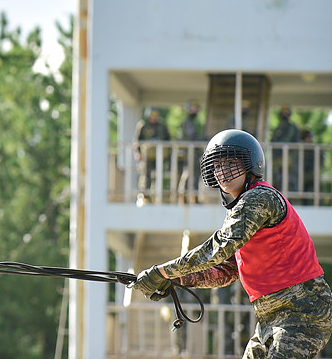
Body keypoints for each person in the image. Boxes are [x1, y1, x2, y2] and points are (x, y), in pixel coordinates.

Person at [133, 129, 332, 359]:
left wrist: (162, 271)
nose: (222, 171)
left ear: (250, 165)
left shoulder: (259, 198)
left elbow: (217, 249)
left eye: (230, 162)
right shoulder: (238, 211)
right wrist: (175, 280)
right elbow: (226, 271)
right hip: (271, 318)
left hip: (301, 312)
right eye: (216, 166)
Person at [133, 107, 171, 200]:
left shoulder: (162, 126)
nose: (153, 117)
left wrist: (168, 154)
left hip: (160, 155)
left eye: (155, 115)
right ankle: (144, 195)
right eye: (152, 115)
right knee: (145, 175)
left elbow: (168, 140)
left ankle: (159, 195)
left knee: (160, 175)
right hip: (146, 155)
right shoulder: (143, 125)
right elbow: (137, 140)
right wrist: (137, 152)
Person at [270, 106, 301, 193]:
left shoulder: (293, 128)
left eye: (287, 113)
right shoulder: (278, 128)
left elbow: (296, 144)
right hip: (278, 158)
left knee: (290, 179)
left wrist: (291, 157)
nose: (285, 114)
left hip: (290, 159)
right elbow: (273, 141)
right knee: (277, 178)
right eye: (283, 113)